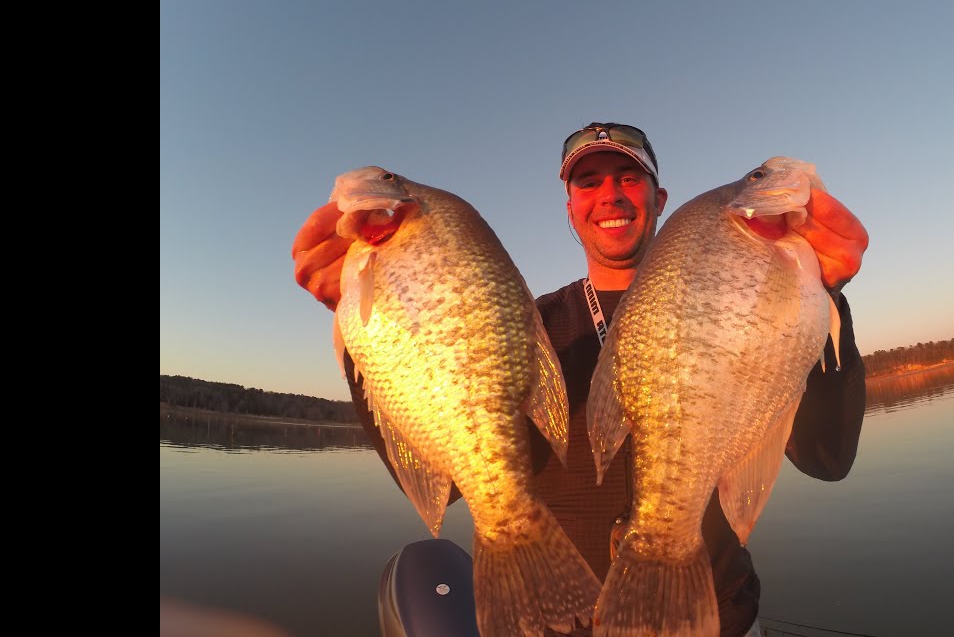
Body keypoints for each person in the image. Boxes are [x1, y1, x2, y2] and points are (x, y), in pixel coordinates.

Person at [291, 122, 870, 637]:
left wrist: (823, 299)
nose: (610, 195)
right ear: (570, 208)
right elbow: (451, 484)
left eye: (628, 177)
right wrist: (368, 339)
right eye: (588, 183)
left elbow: (826, 457)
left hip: (714, 615)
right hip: (555, 623)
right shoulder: (523, 329)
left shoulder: (749, 305)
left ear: (658, 197)